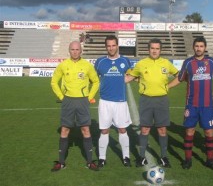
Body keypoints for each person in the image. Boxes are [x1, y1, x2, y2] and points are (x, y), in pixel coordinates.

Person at [168, 36, 213, 170]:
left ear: (205, 47)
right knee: (189, 132)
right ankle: (188, 160)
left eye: (201, 46)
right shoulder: (188, 63)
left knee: (209, 133)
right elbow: (180, 79)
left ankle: (210, 160)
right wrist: (166, 87)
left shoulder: (212, 62)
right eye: (196, 46)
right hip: (191, 104)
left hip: (207, 105)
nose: (199, 48)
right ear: (193, 47)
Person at [126, 38, 178, 168]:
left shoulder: (166, 63)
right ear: (148, 49)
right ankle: (142, 157)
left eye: (157, 48)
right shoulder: (141, 64)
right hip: (146, 100)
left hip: (162, 100)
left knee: (162, 129)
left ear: (160, 50)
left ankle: (164, 157)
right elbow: (130, 77)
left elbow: (180, 76)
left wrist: (168, 86)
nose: (154, 51)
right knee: (145, 129)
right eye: (152, 48)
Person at [50, 41, 100, 172]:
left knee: (85, 130)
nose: (75, 52)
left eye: (77, 49)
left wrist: (89, 97)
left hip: (83, 101)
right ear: (69, 50)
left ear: (81, 50)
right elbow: (54, 82)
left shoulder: (87, 66)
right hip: (68, 101)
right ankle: (61, 162)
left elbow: (96, 82)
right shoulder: (63, 65)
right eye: (72, 49)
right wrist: (62, 97)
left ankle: (90, 162)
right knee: (65, 130)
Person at [94, 35, 132, 168]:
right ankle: (102, 158)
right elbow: (93, 77)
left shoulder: (125, 61)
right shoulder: (99, 62)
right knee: (104, 130)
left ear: (117, 46)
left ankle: (126, 156)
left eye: (113, 45)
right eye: (108, 46)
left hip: (120, 101)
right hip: (105, 101)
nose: (111, 48)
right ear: (106, 47)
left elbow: (133, 73)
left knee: (122, 129)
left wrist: (127, 79)